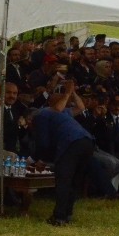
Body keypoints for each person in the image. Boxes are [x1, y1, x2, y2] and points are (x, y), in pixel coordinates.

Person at [30, 82, 96, 225]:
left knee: (64, 180)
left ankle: (59, 217)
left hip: (72, 143)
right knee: (73, 181)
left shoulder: (42, 114)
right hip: (87, 142)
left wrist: (71, 93)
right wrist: (69, 93)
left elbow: (44, 143)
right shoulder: (57, 113)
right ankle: (67, 214)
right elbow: (80, 107)